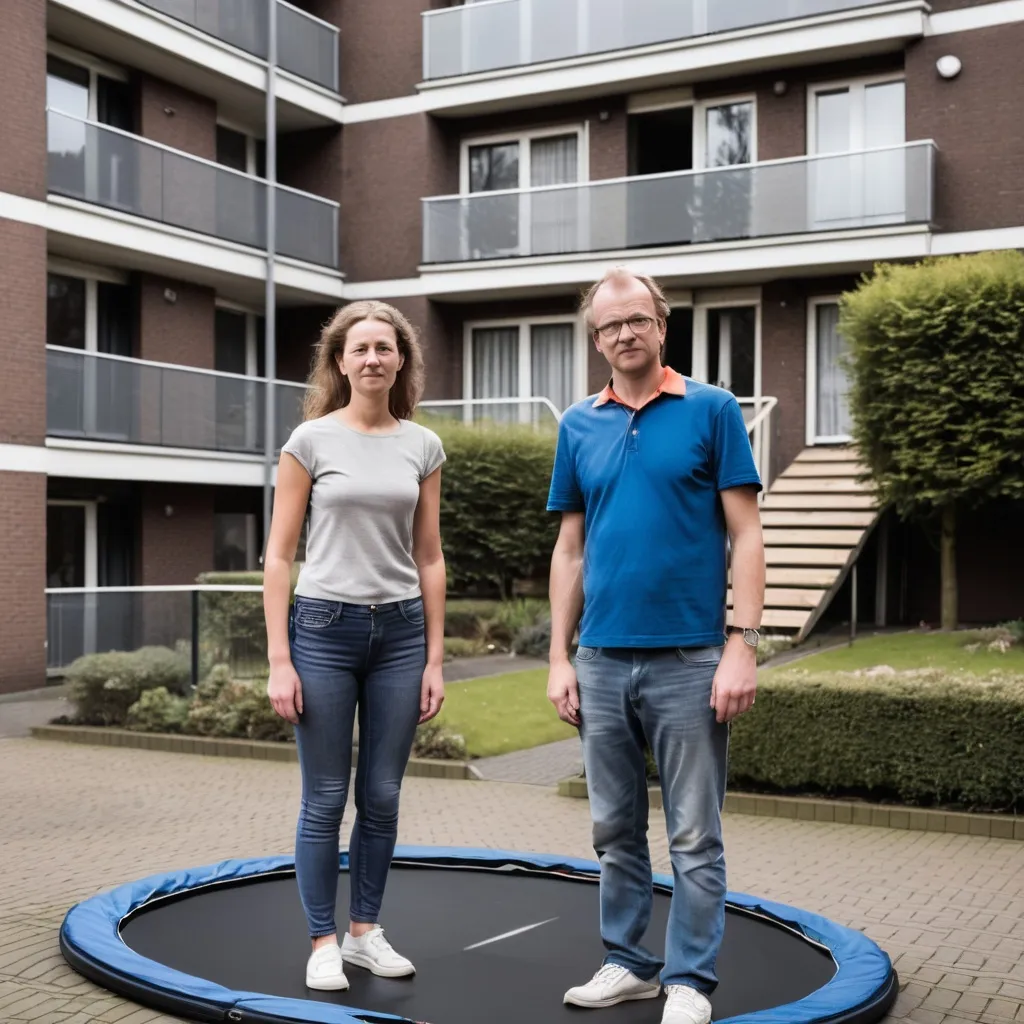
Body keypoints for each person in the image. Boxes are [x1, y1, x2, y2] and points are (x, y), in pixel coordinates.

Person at [546, 268, 765, 1024]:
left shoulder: (711, 410)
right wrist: (557, 656)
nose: (624, 335)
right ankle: (628, 962)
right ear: (596, 338)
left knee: (694, 833)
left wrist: (743, 641)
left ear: (661, 326)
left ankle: (689, 981)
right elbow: (570, 550)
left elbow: (746, 534)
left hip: (691, 658)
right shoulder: (578, 425)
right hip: (602, 661)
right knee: (613, 828)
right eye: (609, 326)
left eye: (636, 320)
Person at [262, 300, 447, 993]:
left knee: (383, 792)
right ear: (340, 361)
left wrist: (433, 656)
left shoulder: (422, 446)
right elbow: (279, 558)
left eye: (385, 347)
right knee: (326, 795)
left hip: (399, 634)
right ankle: (321, 940)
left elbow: (429, 558)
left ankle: (364, 931)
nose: (373, 358)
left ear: (401, 360)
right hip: (323, 631)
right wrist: (280, 659)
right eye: (360, 348)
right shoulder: (309, 440)